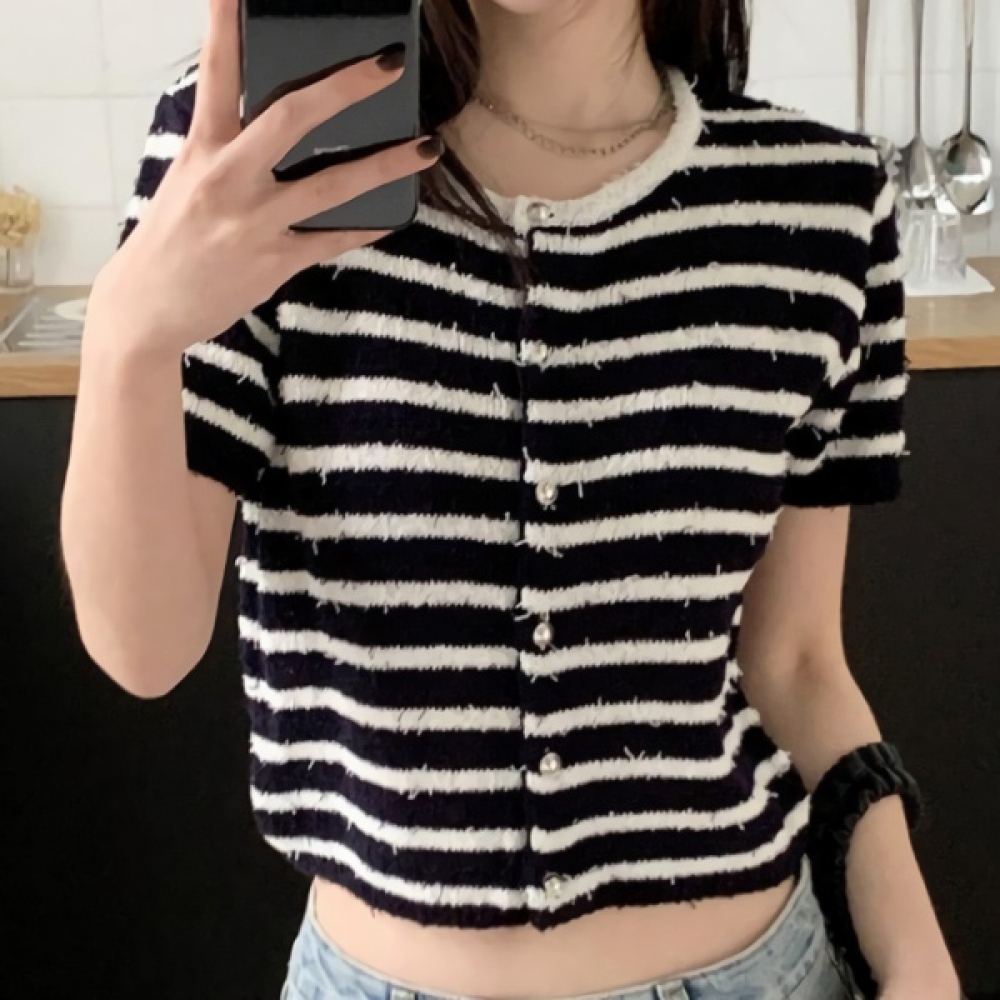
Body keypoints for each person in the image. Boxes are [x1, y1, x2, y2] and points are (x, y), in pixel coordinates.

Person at [60, 1, 961, 998]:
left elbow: (796, 663)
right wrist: (128, 330)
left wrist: (914, 952)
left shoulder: (822, 204)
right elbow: (142, 648)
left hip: (756, 967)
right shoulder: (261, 151)